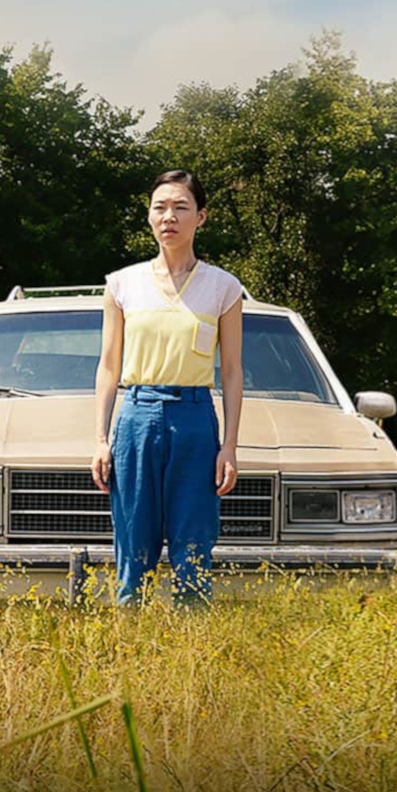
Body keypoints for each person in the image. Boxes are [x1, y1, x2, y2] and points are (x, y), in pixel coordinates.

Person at [89, 169, 244, 605]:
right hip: (136, 414)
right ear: (149, 217)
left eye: (181, 207)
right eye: (160, 207)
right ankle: (129, 626)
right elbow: (108, 365)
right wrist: (100, 439)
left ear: (201, 217)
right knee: (133, 530)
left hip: (195, 418)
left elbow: (231, 370)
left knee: (193, 532)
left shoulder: (224, 288)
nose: (169, 217)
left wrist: (229, 445)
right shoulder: (122, 284)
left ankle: (191, 637)